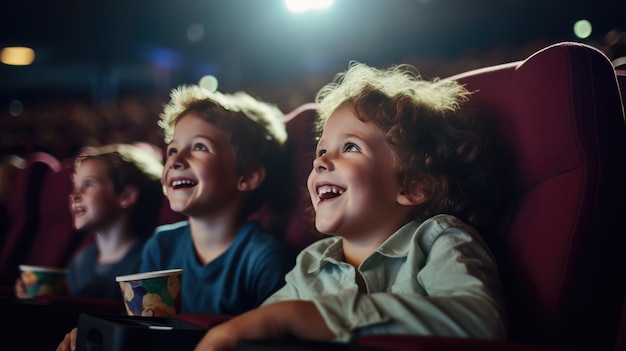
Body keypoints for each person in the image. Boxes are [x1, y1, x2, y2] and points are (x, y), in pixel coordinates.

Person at [194, 62, 507, 350]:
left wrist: (311, 316)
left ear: (413, 186)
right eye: (321, 150)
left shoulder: (439, 239)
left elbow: (481, 320)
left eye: (350, 147)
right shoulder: (311, 263)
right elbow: (263, 329)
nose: (320, 161)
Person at [57, 85, 295, 351]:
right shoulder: (162, 245)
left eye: (200, 147)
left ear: (247, 177)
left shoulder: (263, 258)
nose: (177, 160)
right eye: (172, 150)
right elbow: (138, 329)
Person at [15, 144, 164, 300]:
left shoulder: (148, 260)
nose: (74, 195)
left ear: (126, 196)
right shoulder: (81, 261)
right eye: (74, 186)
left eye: (88, 184)